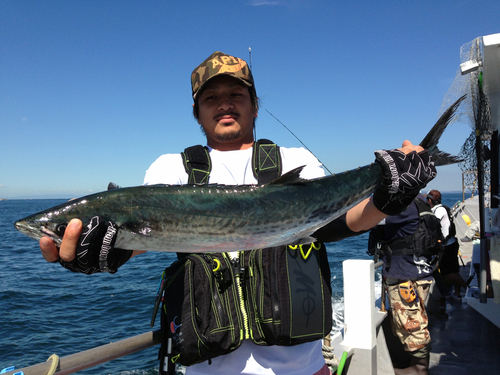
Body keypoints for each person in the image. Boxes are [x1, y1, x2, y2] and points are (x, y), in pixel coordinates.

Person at [39, 51, 436, 375]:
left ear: (255, 105)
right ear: (197, 113)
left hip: (301, 368)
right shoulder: (169, 171)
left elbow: (333, 225)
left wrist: (389, 198)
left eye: (236, 94)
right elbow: (147, 240)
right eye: (211, 98)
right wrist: (106, 253)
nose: (225, 104)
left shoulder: (292, 160)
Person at [368, 195, 442, 375]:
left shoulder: (401, 205)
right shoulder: (420, 200)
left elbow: (367, 220)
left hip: (404, 275)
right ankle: (411, 362)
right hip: (420, 272)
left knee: (411, 324)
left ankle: (419, 368)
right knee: (413, 321)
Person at [427, 189, 468, 302]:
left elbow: (433, 225)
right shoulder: (443, 208)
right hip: (451, 243)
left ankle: (468, 289)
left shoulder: (438, 211)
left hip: (447, 247)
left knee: (447, 273)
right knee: (454, 271)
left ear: (430, 200)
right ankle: (457, 292)